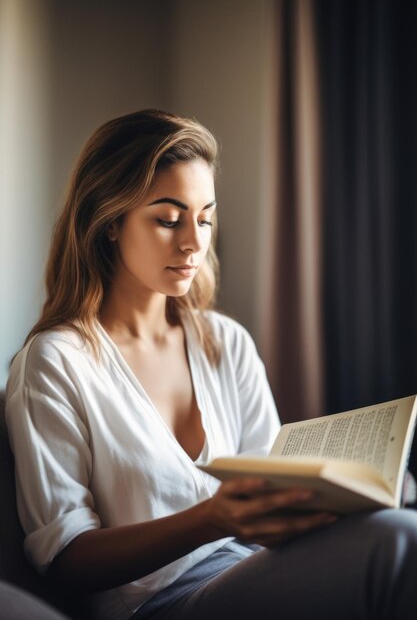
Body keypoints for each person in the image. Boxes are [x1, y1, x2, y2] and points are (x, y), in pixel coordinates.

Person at [5, 109, 417, 620]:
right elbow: (63, 558)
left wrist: (359, 490)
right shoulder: (55, 363)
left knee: (397, 522)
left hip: (258, 568)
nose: (194, 242)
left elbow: (273, 484)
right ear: (109, 222)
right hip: (157, 604)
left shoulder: (224, 342)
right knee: (400, 544)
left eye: (204, 218)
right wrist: (211, 521)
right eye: (168, 218)